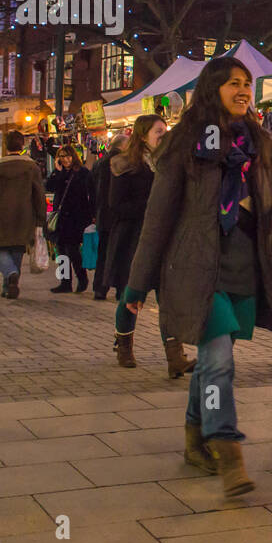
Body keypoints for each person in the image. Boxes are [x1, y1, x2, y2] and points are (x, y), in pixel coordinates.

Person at [125, 58, 272, 498]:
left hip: (245, 265)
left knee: (211, 360)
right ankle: (228, 450)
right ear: (212, 89)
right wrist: (136, 285)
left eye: (247, 84)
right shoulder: (185, 141)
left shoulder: (257, 139)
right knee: (220, 360)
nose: (243, 90)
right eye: (233, 84)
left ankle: (193, 438)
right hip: (196, 268)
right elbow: (158, 217)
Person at [108, 115, 196, 378]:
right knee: (130, 296)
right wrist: (152, 208)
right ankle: (124, 346)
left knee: (167, 296)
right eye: (159, 131)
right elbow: (116, 205)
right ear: (143, 134)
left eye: (165, 131)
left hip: (166, 239)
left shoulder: (169, 164)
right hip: (135, 238)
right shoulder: (125, 165)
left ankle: (175, 357)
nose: (163, 135)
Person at [0, 130, 47, 299]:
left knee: (0, 249)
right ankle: (10, 283)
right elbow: (39, 194)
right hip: (24, 215)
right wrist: (40, 218)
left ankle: (10, 276)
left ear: (5, 145)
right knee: (17, 250)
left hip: (2, 214)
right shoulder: (32, 167)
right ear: (22, 145)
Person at [44, 144, 95, 293]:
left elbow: (91, 194)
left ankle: (82, 278)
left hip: (76, 217)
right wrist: (56, 172)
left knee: (73, 250)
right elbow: (50, 187)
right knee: (61, 251)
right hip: (60, 218)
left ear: (73, 156)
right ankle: (65, 282)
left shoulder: (82, 173)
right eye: (62, 157)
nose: (65, 160)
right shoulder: (60, 173)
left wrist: (92, 215)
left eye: (67, 156)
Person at [90, 131, 130, 301]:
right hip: (119, 216)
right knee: (121, 253)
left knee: (103, 253)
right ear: (123, 146)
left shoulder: (99, 163)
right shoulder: (125, 163)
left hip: (103, 215)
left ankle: (100, 288)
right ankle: (120, 289)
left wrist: (95, 211)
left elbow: (92, 190)